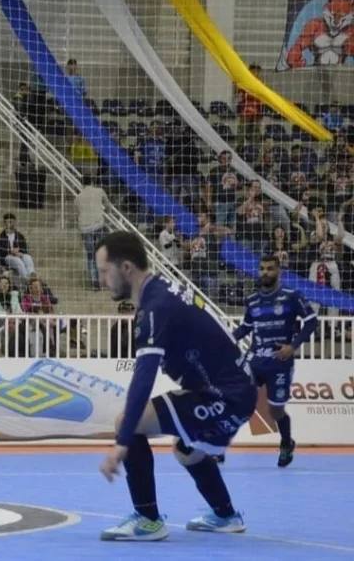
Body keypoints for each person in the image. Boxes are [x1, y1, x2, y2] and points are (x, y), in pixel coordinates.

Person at [95, 231, 255, 541]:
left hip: (225, 395)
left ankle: (147, 519)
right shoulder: (161, 292)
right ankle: (226, 516)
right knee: (186, 450)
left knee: (128, 421)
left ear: (126, 268)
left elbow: (144, 375)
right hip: (236, 392)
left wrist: (122, 441)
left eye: (104, 271)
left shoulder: (156, 308)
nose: (102, 280)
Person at [225, 254, 317, 467]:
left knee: (275, 411)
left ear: (279, 272)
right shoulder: (252, 300)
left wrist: (292, 346)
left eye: (270, 269)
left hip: (280, 362)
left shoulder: (292, 296)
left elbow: (312, 322)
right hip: (255, 360)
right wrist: (227, 339)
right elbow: (246, 327)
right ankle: (219, 448)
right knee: (237, 402)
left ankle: (286, 443)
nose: (265, 272)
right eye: (262, 269)